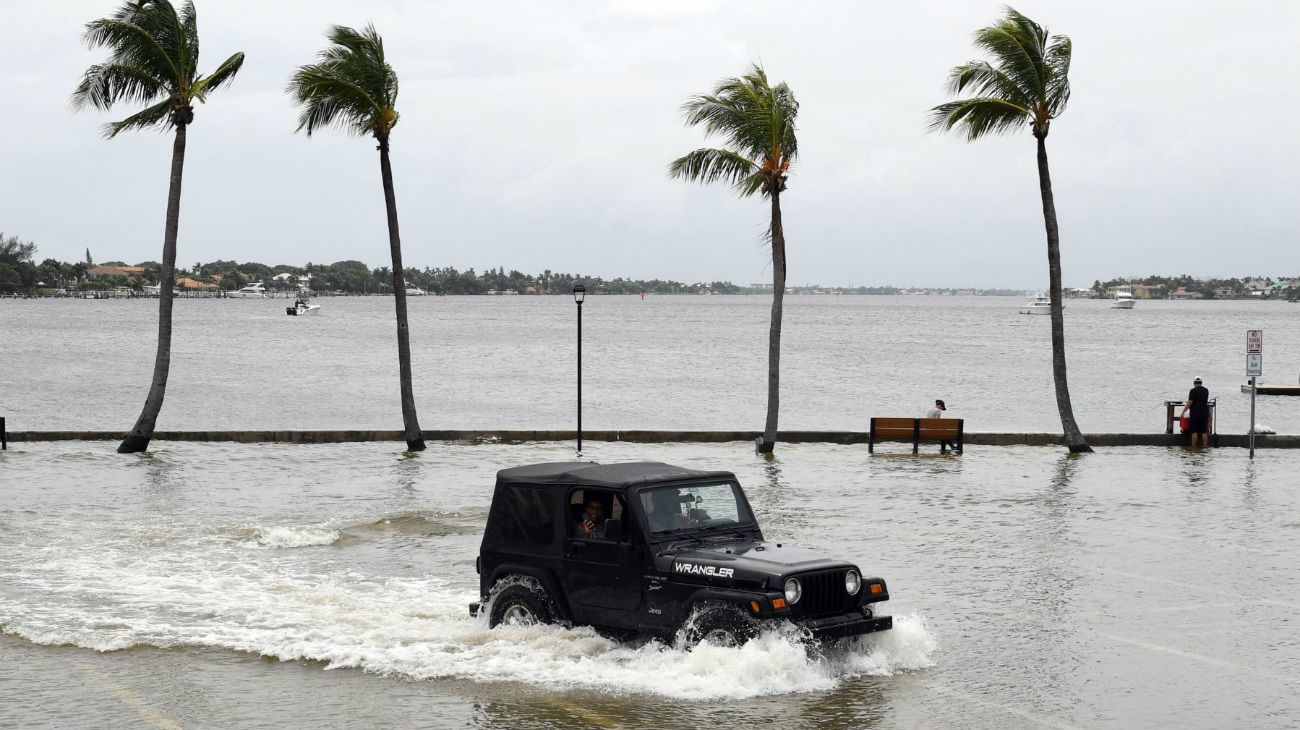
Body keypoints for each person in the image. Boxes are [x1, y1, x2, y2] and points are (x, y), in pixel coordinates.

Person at [1180, 377, 1211, 448]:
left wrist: (1183, 412)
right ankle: (1205, 446)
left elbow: (1189, 403)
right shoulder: (1206, 390)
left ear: (1194, 383)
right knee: (1204, 432)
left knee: (1194, 432)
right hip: (1204, 413)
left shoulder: (1193, 391)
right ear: (1201, 383)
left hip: (1195, 413)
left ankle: (1193, 448)